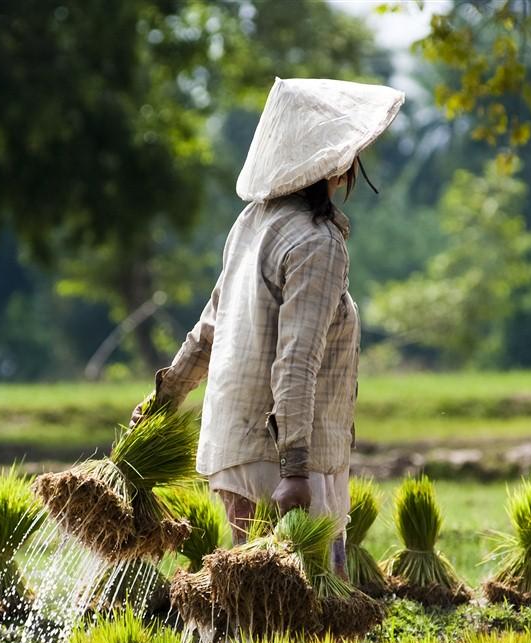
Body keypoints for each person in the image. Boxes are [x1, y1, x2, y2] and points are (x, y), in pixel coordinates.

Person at [131, 77, 404, 576]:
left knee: (253, 613)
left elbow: (209, 329)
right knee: (308, 617)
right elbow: (296, 359)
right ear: (333, 162)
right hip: (279, 460)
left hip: (235, 451)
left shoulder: (253, 224)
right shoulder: (316, 243)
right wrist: (295, 469)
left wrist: (162, 403)